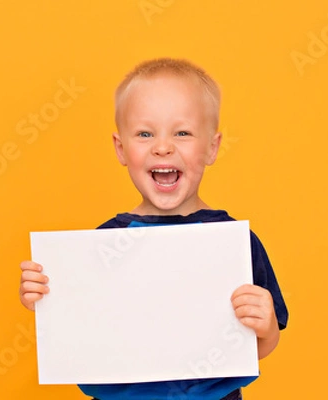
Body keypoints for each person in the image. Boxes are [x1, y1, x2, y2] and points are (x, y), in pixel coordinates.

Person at [19, 58, 289, 400]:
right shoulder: (101, 244)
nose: (163, 146)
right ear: (121, 149)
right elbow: (79, 331)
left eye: (183, 133)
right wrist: (44, 298)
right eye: (145, 134)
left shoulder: (234, 241)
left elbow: (258, 348)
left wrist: (265, 329)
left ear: (212, 147)